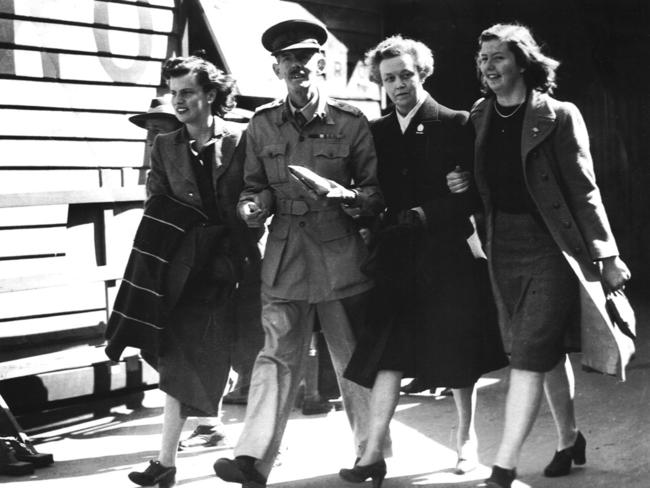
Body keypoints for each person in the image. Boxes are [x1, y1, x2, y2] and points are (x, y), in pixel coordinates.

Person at [448, 23, 633, 488]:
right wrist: (461, 185)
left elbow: (584, 190)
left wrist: (607, 254)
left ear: (523, 63)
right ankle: (569, 438)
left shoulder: (559, 114)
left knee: (529, 353)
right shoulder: (480, 115)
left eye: (498, 57)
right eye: (483, 59)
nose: (487, 67)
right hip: (501, 246)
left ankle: (504, 466)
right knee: (542, 352)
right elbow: (484, 181)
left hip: (551, 246)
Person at [213, 19, 389, 488]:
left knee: (352, 358)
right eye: (288, 62)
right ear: (277, 69)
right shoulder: (262, 123)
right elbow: (254, 188)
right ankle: (252, 458)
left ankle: (370, 455)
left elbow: (375, 195)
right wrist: (252, 207)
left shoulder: (351, 124)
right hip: (286, 254)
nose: (297, 68)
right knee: (274, 357)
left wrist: (347, 197)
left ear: (323, 66)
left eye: (305, 60)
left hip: (339, 254)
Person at [338, 35, 508, 487]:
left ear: (422, 74)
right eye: (389, 78)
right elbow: (372, 192)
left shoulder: (454, 123)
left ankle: (465, 438)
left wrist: (438, 204)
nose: (398, 85)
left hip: (446, 254)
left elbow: (477, 194)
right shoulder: (374, 133)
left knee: (457, 354)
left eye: (406, 76)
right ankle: (372, 454)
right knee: (388, 354)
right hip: (396, 257)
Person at [121, 55, 263, 487]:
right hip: (191, 267)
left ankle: (258, 450)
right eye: (174, 93)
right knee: (180, 358)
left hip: (241, 265)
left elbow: (259, 188)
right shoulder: (165, 146)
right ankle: (165, 462)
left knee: (252, 357)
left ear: (211, 95)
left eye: (187, 92)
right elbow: (157, 204)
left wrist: (252, 211)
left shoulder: (242, 139)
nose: (178, 101)